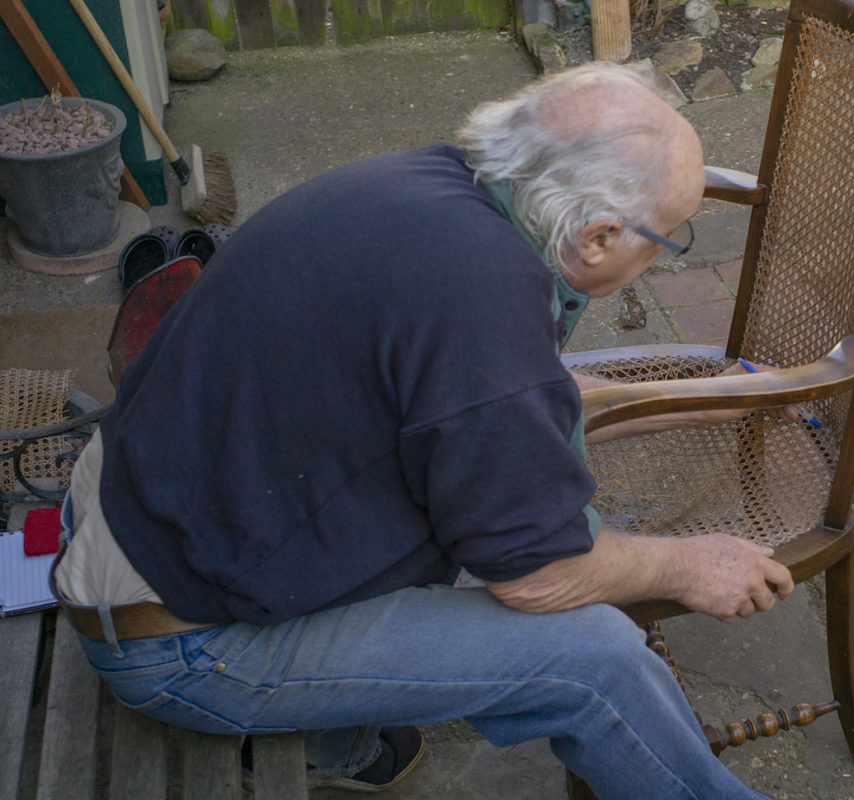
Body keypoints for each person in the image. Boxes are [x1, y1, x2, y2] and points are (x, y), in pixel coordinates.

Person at [52, 63, 795, 799]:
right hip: (179, 643)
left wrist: (697, 398)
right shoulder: (483, 303)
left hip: (134, 518)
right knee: (596, 659)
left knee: (439, 502)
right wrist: (689, 566)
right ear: (600, 237)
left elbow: (492, 397)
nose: (665, 251)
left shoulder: (433, 191)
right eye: (668, 237)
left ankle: (334, 746)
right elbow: (539, 575)